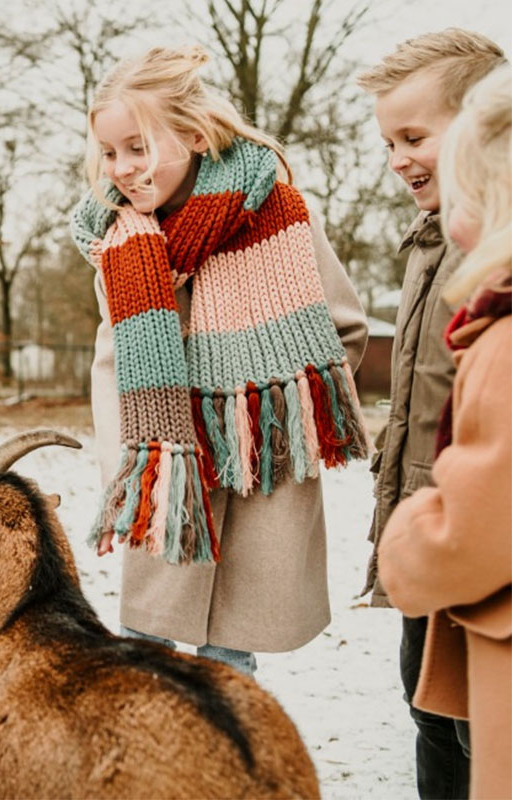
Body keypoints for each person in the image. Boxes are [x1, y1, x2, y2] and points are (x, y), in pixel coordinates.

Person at [69, 46, 369, 676]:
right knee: (146, 653)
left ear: (196, 136)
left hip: (261, 468)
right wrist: (131, 467)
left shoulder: (278, 215)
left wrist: (263, 409)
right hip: (169, 466)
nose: (121, 168)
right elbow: (111, 362)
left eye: (138, 147)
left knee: (230, 662)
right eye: (109, 152)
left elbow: (344, 329)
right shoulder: (120, 242)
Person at [356, 29, 506, 799]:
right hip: (428, 532)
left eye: (414, 138)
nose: (398, 159)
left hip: (476, 544)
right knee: (430, 715)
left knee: (481, 732)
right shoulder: (426, 243)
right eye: (388, 143)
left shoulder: (492, 255)